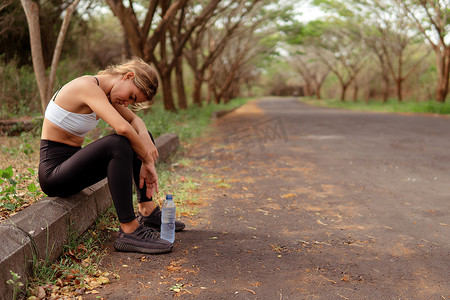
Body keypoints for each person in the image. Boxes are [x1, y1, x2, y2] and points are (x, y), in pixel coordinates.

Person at [38, 58, 185, 255]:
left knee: (141, 138)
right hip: (53, 174)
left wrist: (144, 138)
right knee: (119, 143)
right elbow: (123, 127)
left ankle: (148, 211)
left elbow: (134, 120)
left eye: (133, 101)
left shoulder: (106, 94)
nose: (128, 103)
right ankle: (129, 230)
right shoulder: (86, 86)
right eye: (131, 96)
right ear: (128, 76)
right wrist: (148, 161)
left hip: (71, 165)